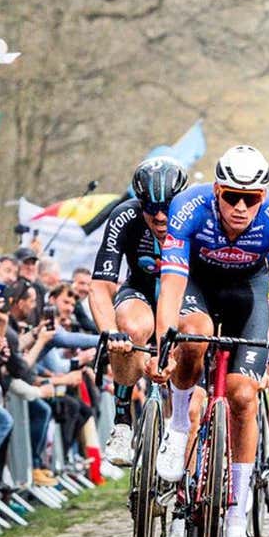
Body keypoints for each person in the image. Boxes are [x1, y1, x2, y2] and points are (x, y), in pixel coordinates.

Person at [148, 145, 269, 537]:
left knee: (243, 396)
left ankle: (236, 522)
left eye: (251, 199)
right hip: (199, 283)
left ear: (264, 196)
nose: (240, 206)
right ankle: (179, 425)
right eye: (231, 196)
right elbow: (172, 284)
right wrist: (166, 341)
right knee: (193, 338)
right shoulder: (187, 209)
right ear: (216, 191)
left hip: (249, 293)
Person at [89, 156, 187, 467]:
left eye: (167, 208)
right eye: (150, 209)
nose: (159, 217)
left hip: (186, 296)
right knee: (130, 326)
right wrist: (110, 332)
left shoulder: (196, 214)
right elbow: (100, 286)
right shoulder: (124, 216)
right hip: (141, 291)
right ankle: (122, 422)